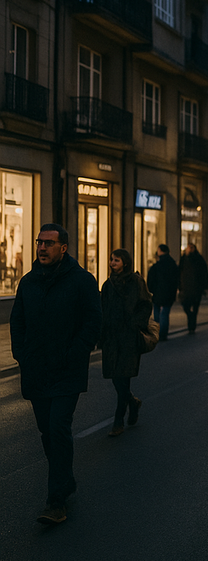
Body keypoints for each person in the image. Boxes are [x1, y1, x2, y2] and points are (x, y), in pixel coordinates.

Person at [10, 224, 102, 524]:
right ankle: (65, 480)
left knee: (58, 427)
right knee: (46, 432)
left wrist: (76, 352)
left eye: (48, 243)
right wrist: (21, 354)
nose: (41, 248)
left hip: (66, 371)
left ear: (63, 247)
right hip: (36, 370)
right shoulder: (28, 282)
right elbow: (17, 321)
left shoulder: (82, 281)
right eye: (39, 242)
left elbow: (93, 322)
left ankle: (56, 501)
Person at [99, 249, 153, 437]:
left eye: (116, 260)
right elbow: (102, 309)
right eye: (111, 259)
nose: (112, 263)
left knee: (124, 376)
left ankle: (118, 421)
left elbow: (146, 304)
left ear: (126, 263)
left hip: (129, 337)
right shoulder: (107, 285)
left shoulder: (136, 282)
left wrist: (135, 324)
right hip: (111, 338)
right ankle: (132, 401)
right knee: (116, 378)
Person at [146, 244, 179, 340]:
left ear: (160, 251)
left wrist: (150, 291)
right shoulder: (173, 264)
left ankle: (157, 332)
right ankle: (163, 333)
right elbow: (176, 279)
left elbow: (151, 280)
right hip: (169, 292)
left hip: (157, 292)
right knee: (165, 313)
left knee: (157, 313)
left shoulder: (157, 266)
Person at [179, 242, 208, 334]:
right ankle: (191, 319)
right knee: (186, 306)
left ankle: (192, 325)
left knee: (195, 308)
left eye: (191, 248)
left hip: (196, 288)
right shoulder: (184, 259)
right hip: (186, 288)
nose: (190, 250)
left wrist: (203, 287)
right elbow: (179, 272)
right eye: (189, 248)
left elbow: (204, 274)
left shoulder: (199, 259)